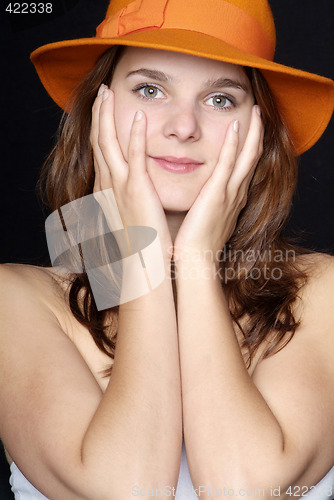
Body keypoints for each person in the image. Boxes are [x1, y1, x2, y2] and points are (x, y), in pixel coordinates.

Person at [1, 0, 334, 498]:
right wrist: (142, 264)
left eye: (221, 99)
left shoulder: (321, 292)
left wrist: (197, 257)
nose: (184, 127)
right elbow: (131, 491)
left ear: (260, 131)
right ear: (100, 109)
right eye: (150, 89)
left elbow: (242, 491)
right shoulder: (16, 300)